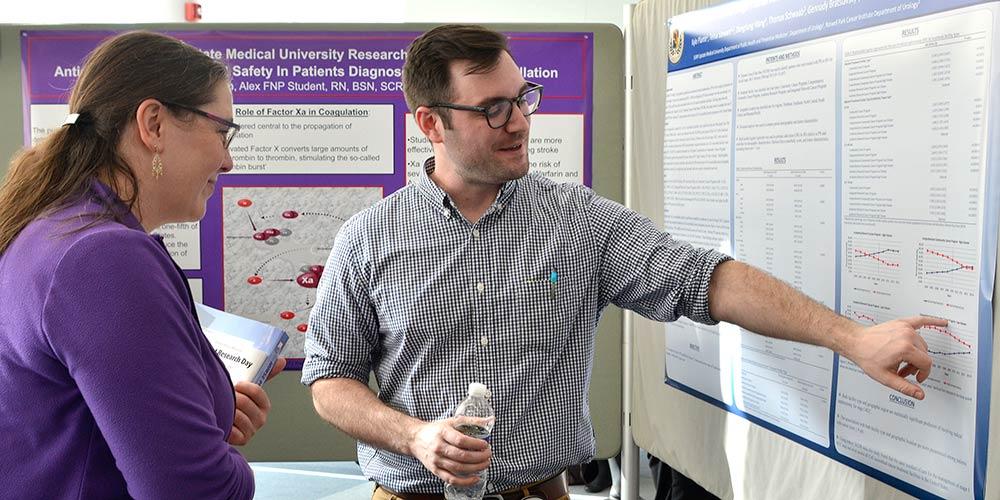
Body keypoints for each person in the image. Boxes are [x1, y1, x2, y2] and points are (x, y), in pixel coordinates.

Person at [302, 24, 944, 499]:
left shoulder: (577, 221)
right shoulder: (368, 238)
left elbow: (707, 280)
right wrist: (414, 436)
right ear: (431, 124)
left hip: (538, 491)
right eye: (492, 108)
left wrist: (853, 338)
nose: (519, 120)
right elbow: (330, 383)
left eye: (523, 97)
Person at [0, 31, 284, 499]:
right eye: (222, 130)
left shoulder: (51, 229)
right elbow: (191, 489)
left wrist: (205, 409)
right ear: (153, 123)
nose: (228, 161)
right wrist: (221, 459)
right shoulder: (104, 258)